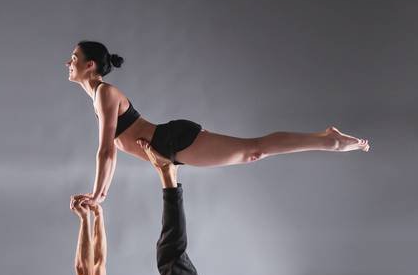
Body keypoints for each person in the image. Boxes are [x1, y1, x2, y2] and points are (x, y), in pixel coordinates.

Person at [65, 41, 371, 208]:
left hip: (173, 141)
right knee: (254, 150)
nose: (69, 63)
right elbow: (111, 149)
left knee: (254, 151)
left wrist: (98, 195)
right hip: (169, 148)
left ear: (90, 65)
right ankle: (328, 140)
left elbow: (107, 150)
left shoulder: (105, 94)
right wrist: (99, 195)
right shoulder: (98, 97)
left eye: (74, 57)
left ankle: (330, 140)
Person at [35, 140, 218, 275]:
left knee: (167, 255)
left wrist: (98, 214)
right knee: (168, 256)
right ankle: (168, 175)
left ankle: (169, 174)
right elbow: (83, 271)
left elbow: (98, 262)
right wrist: (83, 219)